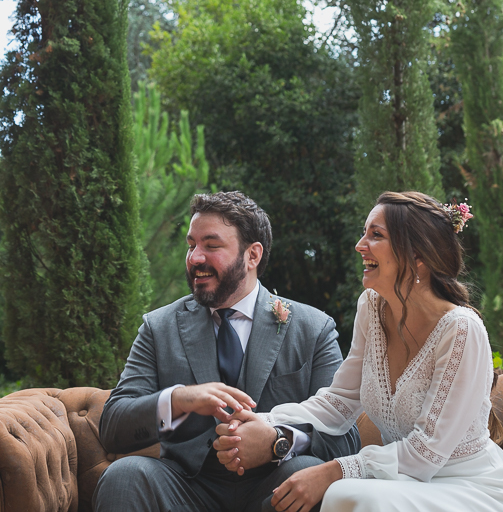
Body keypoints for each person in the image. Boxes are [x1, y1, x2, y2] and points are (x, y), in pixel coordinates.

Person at [213, 192, 503, 512]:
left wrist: (334, 471)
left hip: (471, 487)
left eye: (376, 235)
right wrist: (265, 420)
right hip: (406, 484)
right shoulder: (372, 307)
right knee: (350, 494)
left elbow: (426, 453)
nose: (360, 245)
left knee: (350, 495)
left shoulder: (462, 330)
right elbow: (338, 403)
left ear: (418, 255)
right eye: (364, 232)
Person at [95, 191, 361, 512]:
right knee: (123, 475)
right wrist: (178, 400)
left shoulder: (313, 329)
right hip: (184, 489)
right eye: (191, 245)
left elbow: (346, 438)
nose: (195, 258)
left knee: (306, 471)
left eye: (211, 245)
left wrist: (279, 441)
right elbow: (113, 427)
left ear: (252, 255)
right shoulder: (158, 327)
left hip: (276, 487)